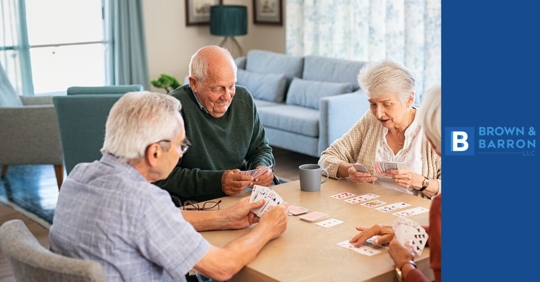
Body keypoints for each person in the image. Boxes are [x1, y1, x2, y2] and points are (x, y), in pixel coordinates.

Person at [48, 91, 289, 282]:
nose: (181, 151)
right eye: (180, 145)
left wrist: (225, 218)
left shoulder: (78, 176)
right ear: (154, 152)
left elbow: (157, 220)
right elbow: (222, 267)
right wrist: (267, 228)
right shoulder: (144, 201)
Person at [154, 46, 275, 203]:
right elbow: (163, 175)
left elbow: (261, 149)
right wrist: (217, 182)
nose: (226, 97)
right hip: (194, 205)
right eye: (218, 89)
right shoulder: (172, 110)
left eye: (231, 86)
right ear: (194, 83)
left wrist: (262, 168)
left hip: (240, 197)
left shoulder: (244, 100)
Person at [349, 85, 442, 282]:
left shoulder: (440, 207)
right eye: (373, 104)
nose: (379, 112)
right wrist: (411, 232)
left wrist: (404, 265)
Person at [318, 59, 441, 198]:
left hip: (415, 214)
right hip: (369, 208)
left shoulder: (432, 125)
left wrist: (421, 182)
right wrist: (348, 170)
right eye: (373, 104)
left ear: (409, 99)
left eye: (387, 104)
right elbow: (325, 159)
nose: (378, 113)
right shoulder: (371, 121)